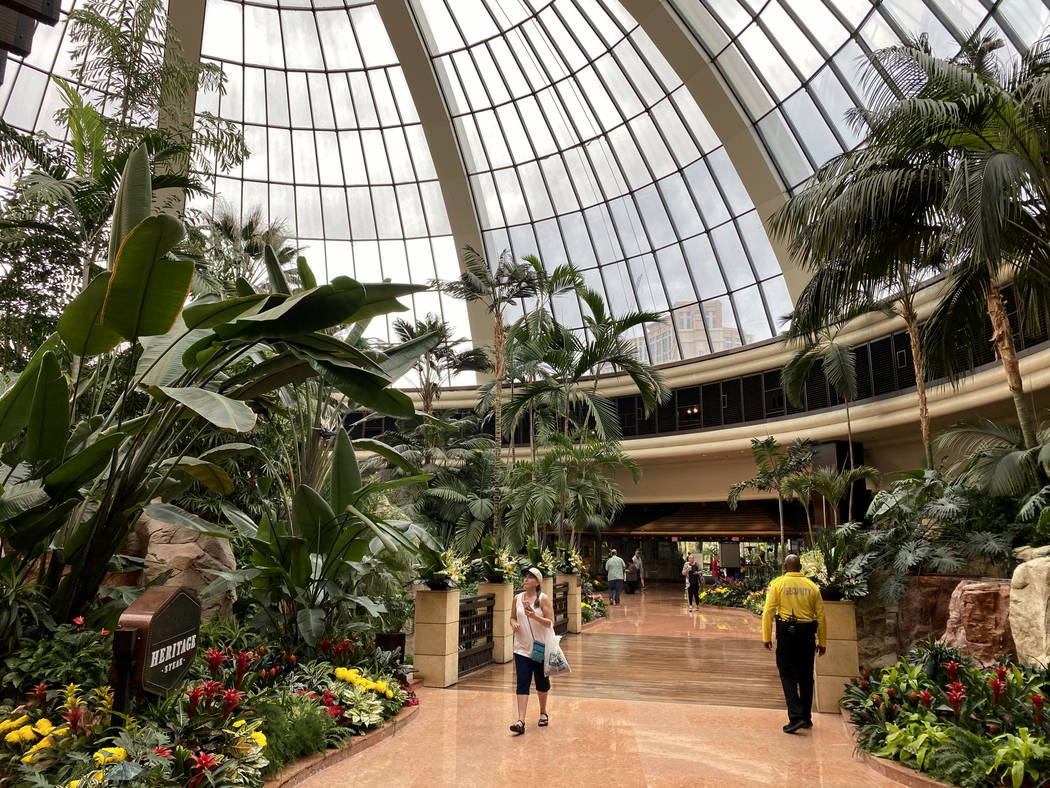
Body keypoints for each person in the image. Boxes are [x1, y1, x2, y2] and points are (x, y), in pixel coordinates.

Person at [761, 554, 827, 734]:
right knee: (806, 676)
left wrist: (766, 637)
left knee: (787, 674)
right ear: (800, 568)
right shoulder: (812, 587)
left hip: (787, 635)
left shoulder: (778, 585)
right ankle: (806, 717)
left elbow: (768, 612)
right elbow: (821, 616)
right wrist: (822, 641)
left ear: (784, 566)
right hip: (807, 635)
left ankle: (796, 717)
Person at [509, 567, 556, 735]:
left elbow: (551, 623)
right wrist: (513, 623)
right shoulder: (517, 598)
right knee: (522, 682)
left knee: (542, 683)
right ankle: (520, 720)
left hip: (540, 648)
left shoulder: (543, 599)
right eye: (525, 577)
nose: (526, 579)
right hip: (521, 648)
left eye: (530, 577)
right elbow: (512, 616)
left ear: (537, 582)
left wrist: (534, 616)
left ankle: (543, 711)